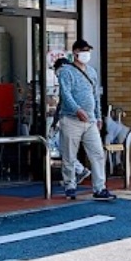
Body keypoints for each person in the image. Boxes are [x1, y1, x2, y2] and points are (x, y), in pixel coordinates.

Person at [56, 39, 116, 201]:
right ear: (75, 53)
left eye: (88, 51)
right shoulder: (66, 71)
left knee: (97, 153)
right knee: (69, 155)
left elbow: (95, 96)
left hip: (90, 121)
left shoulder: (92, 72)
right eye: (84, 51)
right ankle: (70, 185)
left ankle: (100, 187)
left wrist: (97, 116)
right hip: (71, 119)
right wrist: (77, 109)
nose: (86, 54)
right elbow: (65, 94)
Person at [50, 57, 91, 186]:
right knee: (64, 149)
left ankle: (75, 175)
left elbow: (62, 104)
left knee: (63, 148)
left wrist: (55, 122)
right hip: (75, 120)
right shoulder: (75, 81)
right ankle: (75, 174)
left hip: (68, 121)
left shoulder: (67, 81)